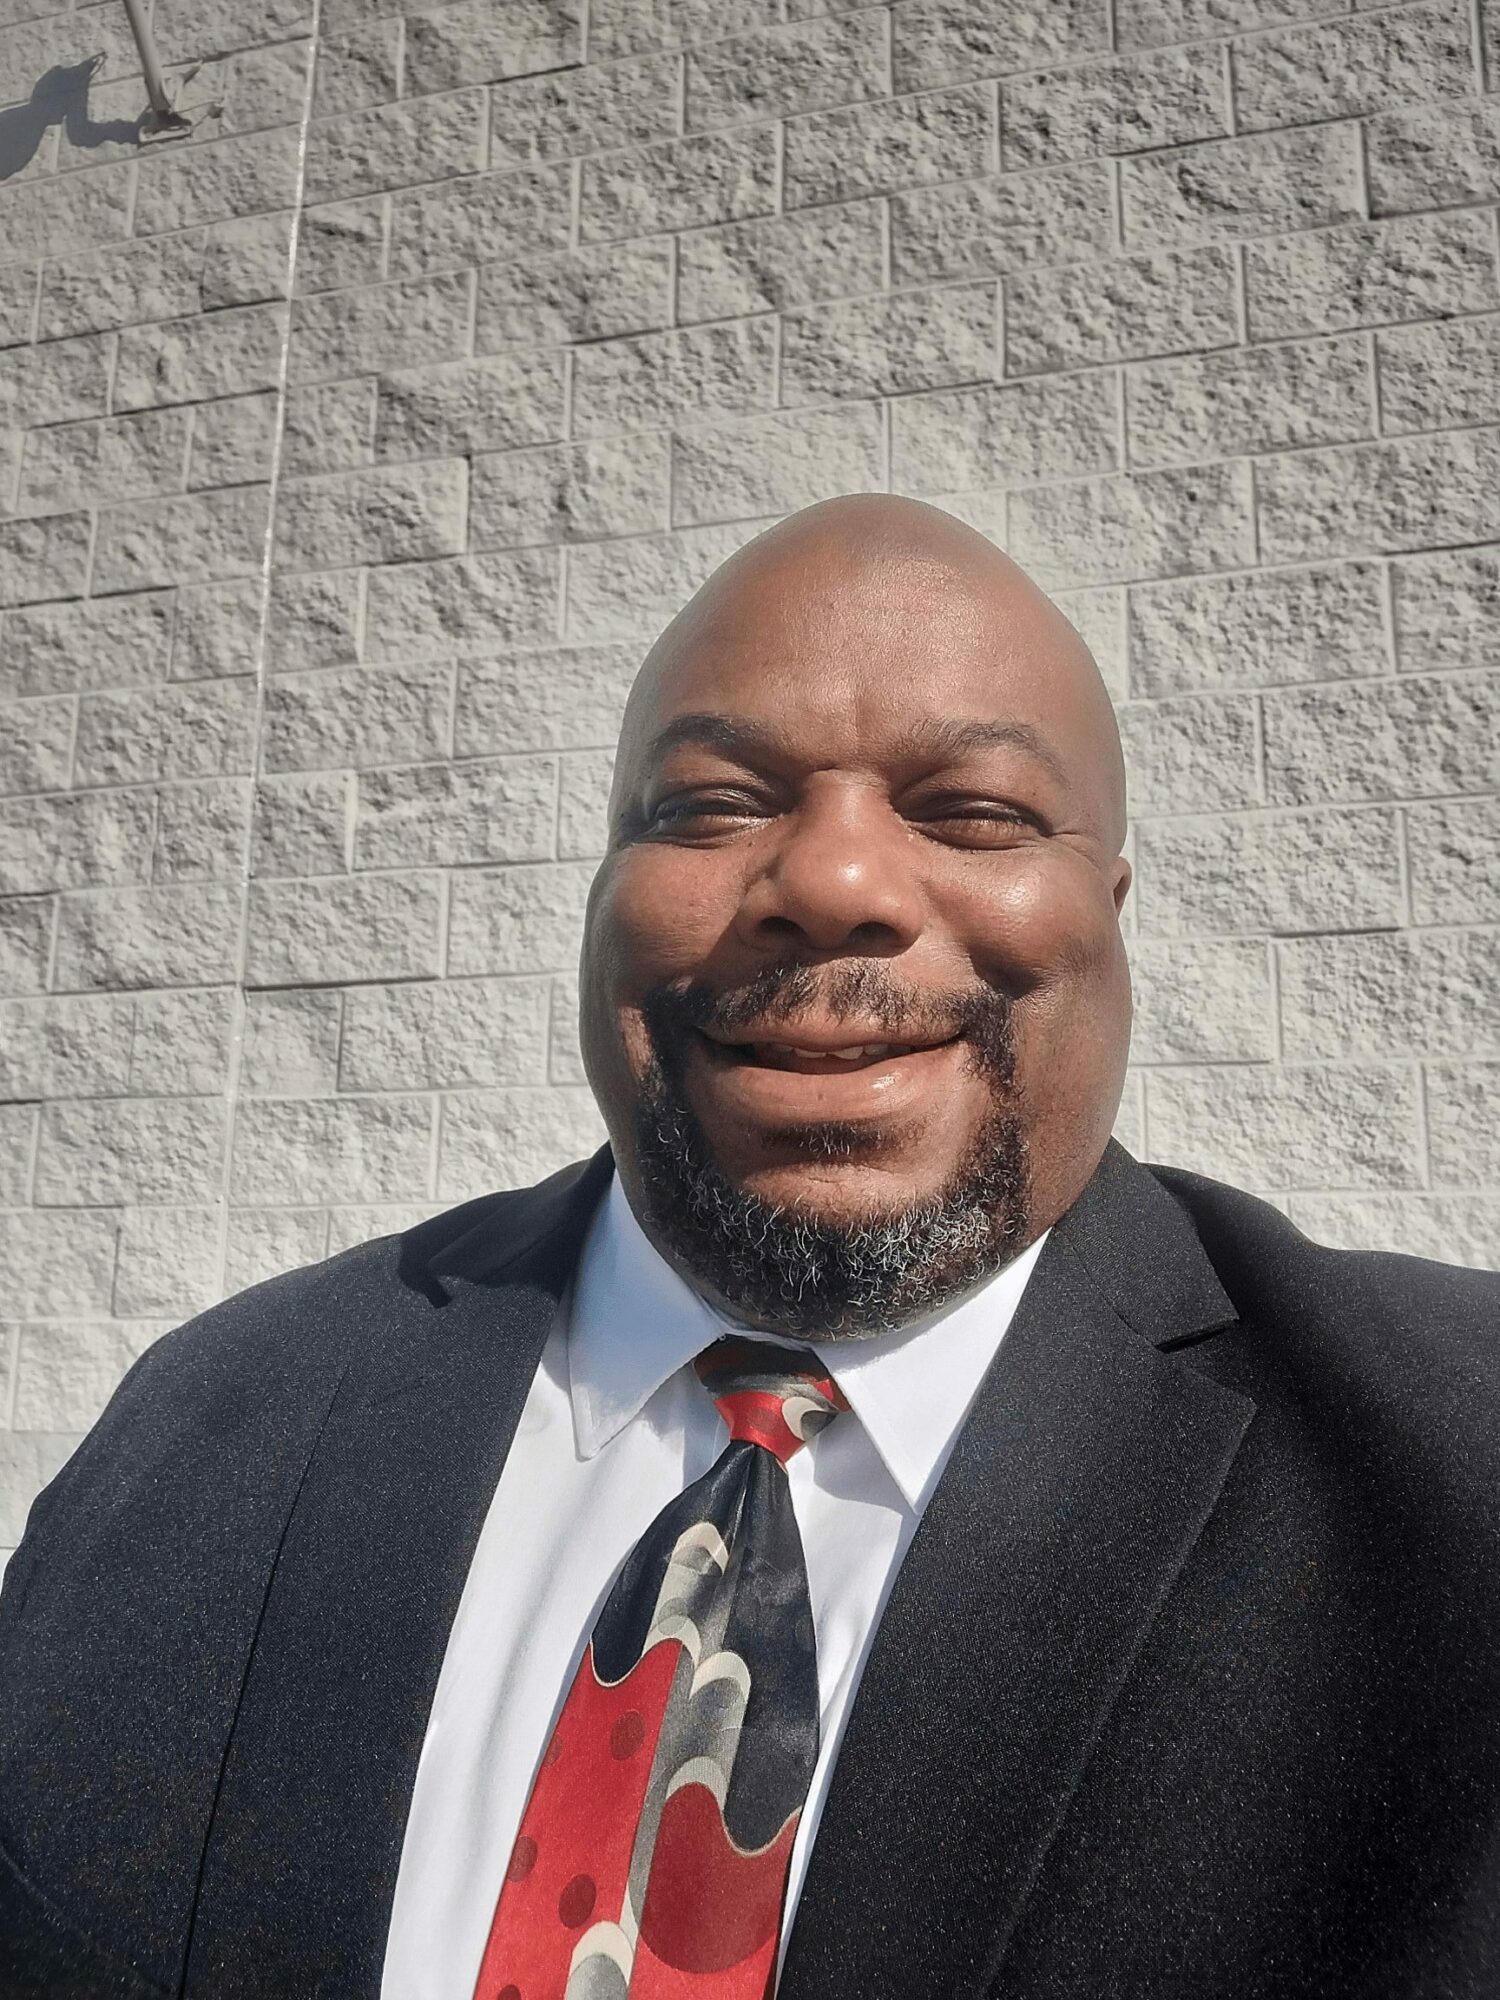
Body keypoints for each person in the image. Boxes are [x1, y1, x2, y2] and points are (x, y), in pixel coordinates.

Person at [1, 494, 1496, 2000]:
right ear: (601, 892)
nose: (834, 885)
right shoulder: (212, 1423)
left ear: (1108, 912)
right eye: (712, 806)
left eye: (972, 812)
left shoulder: (1457, 1470)